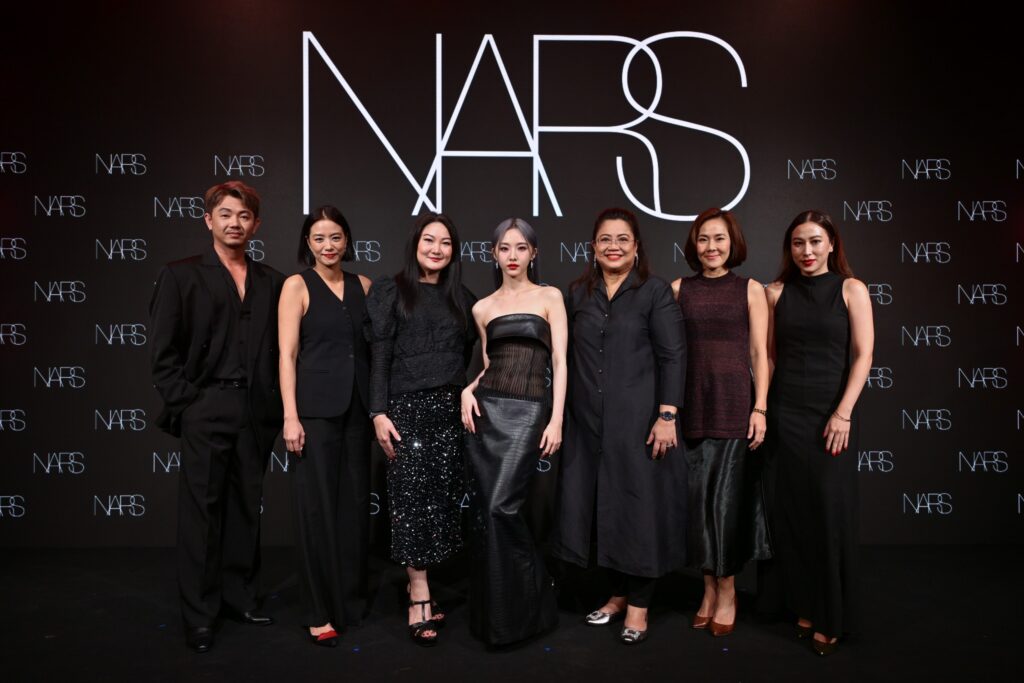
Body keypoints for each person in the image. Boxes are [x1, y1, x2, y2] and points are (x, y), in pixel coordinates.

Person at [149, 181, 285, 653]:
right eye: (225, 214)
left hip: (255, 411)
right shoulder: (180, 275)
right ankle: (200, 615)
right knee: (201, 515)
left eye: (244, 215)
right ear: (208, 220)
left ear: (256, 224)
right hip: (205, 407)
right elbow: (162, 353)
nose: (234, 223)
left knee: (246, 508)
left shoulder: (272, 281)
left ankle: (239, 598)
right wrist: (188, 404)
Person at [551, 207, 687, 644]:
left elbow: (673, 356)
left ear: (636, 246)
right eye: (605, 239)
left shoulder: (655, 291)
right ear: (593, 247)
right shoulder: (577, 293)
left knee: (638, 512)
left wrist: (667, 415)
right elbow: (560, 355)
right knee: (601, 511)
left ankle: (640, 605)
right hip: (587, 424)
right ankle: (616, 595)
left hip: (640, 423)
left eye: (622, 239)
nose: (614, 246)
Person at [763, 209, 874, 656]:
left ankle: (832, 615)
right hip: (784, 415)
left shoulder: (852, 289)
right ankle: (803, 604)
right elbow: (769, 357)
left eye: (814, 241)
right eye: (798, 243)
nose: (806, 251)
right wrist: (761, 409)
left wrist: (843, 413)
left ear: (831, 244)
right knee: (791, 515)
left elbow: (863, 355)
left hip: (831, 416)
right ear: (789, 249)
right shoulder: (775, 293)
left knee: (829, 515)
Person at [364, 213, 478, 646]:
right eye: (429, 240)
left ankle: (425, 584)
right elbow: (380, 355)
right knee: (411, 502)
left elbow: (470, 354)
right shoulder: (391, 290)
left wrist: (466, 391)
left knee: (439, 501)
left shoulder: (462, 297)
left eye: (445, 242)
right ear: (415, 244)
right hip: (405, 410)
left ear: (454, 251)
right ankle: (418, 594)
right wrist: (378, 412)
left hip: (449, 411)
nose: (436, 249)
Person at [460, 218, 566, 646]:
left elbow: (560, 361)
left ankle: (533, 603)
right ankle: (500, 619)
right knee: (489, 514)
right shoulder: (482, 308)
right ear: (493, 254)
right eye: (505, 248)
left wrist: (556, 419)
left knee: (501, 509)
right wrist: (467, 389)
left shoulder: (550, 297)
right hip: (487, 411)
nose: (513, 256)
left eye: (521, 248)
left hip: (528, 411)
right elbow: (489, 364)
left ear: (533, 253)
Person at [671, 208, 772, 637]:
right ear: (693, 246)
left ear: (733, 243)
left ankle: (727, 589)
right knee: (697, 507)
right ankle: (708, 588)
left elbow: (760, 353)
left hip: (735, 404)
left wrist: (760, 407)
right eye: (703, 239)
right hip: (692, 404)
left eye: (719, 239)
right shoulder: (678, 289)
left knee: (725, 506)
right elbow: (670, 353)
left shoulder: (750, 289)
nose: (711, 247)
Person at [277, 206, 373, 647]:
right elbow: (287, 355)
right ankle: (318, 611)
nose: (328, 245)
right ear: (308, 243)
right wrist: (290, 416)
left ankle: (347, 602)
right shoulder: (296, 286)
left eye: (335, 237)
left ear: (347, 240)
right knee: (315, 512)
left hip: (358, 410)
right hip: (314, 413)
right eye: (319, 238)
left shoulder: (364, 285)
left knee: (353, 508)